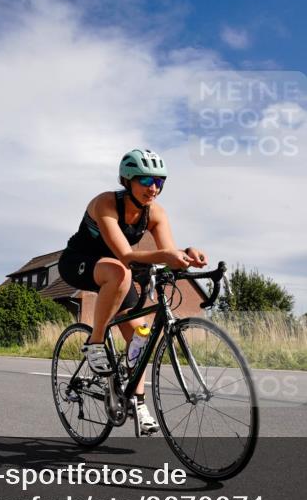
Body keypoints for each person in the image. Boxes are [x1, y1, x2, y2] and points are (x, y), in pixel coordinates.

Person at [58, 149, 207, 434]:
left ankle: (137, 402)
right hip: (79, 262)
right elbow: (125, 254)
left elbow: (166, 252)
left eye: (160, 182)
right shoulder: (106, 203)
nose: (154, 188)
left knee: (139, 338)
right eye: (146, 180)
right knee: (119, 270)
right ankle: (95, 341)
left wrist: (186, 253)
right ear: (128, 180)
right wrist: (169, 254)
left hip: (119, 276)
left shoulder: (156, 213)